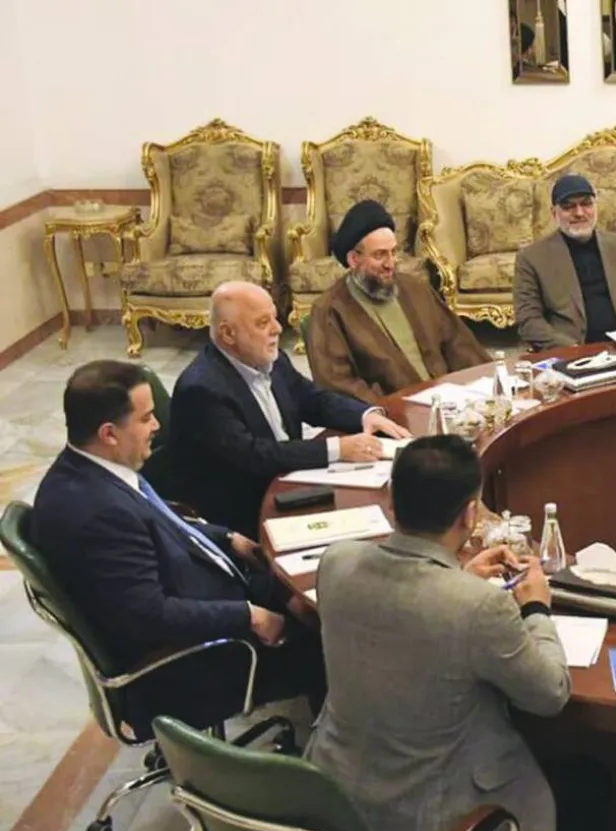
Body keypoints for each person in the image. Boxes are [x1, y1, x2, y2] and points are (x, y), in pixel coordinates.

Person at [30, 361, 325, 738]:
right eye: (145, 418)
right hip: (197, 659)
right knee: (335, 640)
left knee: (312, 590)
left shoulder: (91, 470)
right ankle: (328, 750)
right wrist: (249, 616)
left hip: (210, 588)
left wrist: (226, 538)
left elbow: (162, 520)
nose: (156, 426)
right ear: (109, 434)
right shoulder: (97, 514)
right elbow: (150, 616)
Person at [308, 436, 572, 831]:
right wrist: (537, 607)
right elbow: (551, 694)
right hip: (433, 817)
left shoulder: (336, 562)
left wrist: (457, 578)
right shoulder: (480, 606)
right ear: (470, 515)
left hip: (336, 795)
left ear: (390, 500)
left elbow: (401, 613)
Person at [170, 281, 411, 536]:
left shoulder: (271, 359)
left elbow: (312, 399)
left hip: (293, 483)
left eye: (275, 318)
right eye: (263, 323)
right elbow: (254, 455)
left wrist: (365, 415)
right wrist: (338, 449)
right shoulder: (202, 390)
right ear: (228, 334)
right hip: (245, 514)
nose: (277, 329)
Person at [306, 199, 492, 403]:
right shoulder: (329, 311)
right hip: (392, 414)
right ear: (353, 259)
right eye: (379, 255)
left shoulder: (415, 288)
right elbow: (338, 384)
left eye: (393, 252)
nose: (390, 264)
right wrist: (389, 409)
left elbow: (458, 342)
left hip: (449, 403)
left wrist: (487, 382)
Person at [513, 174, 616, 350]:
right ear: (554, 213)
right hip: (570, 352)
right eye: (568, 207)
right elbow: (529, 321)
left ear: (595, 207)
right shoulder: (531, 258)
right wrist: (572, 349)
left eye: (586, 204)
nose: (579, 213)